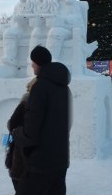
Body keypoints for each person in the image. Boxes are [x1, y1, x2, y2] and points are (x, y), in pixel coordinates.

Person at [11, 46, 71, 194]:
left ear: (37, 63)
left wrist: (16, 132)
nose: (31, 66)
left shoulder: (40, 87)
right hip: (60, 158)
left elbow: (30, 132)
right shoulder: (64, 88)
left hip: (41, 162)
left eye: (32, 62)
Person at [6, 78, 36, 191]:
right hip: (30, 157)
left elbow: (11, 124)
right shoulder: (48, 104)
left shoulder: (26, 103)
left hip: (22, 154)